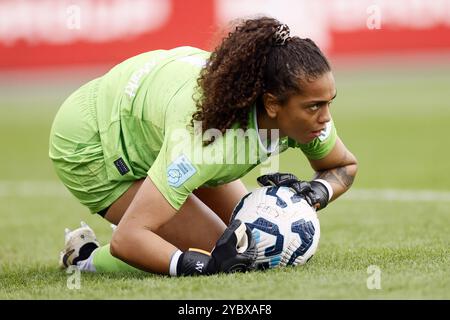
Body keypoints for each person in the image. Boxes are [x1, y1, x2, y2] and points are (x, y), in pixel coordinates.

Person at [49, 16, 358, 277]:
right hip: (91, 140)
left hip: (153, 120)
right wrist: (197, 264)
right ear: (272, 104)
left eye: (329, 103)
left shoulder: (301, 115)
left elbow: (343, 165)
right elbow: (128, 240)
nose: (326, 118)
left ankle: (158, 219)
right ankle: (84, 258)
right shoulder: (205, 143)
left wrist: (315, 192)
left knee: (249, 241)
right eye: (314, 106)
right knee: (225, 253)